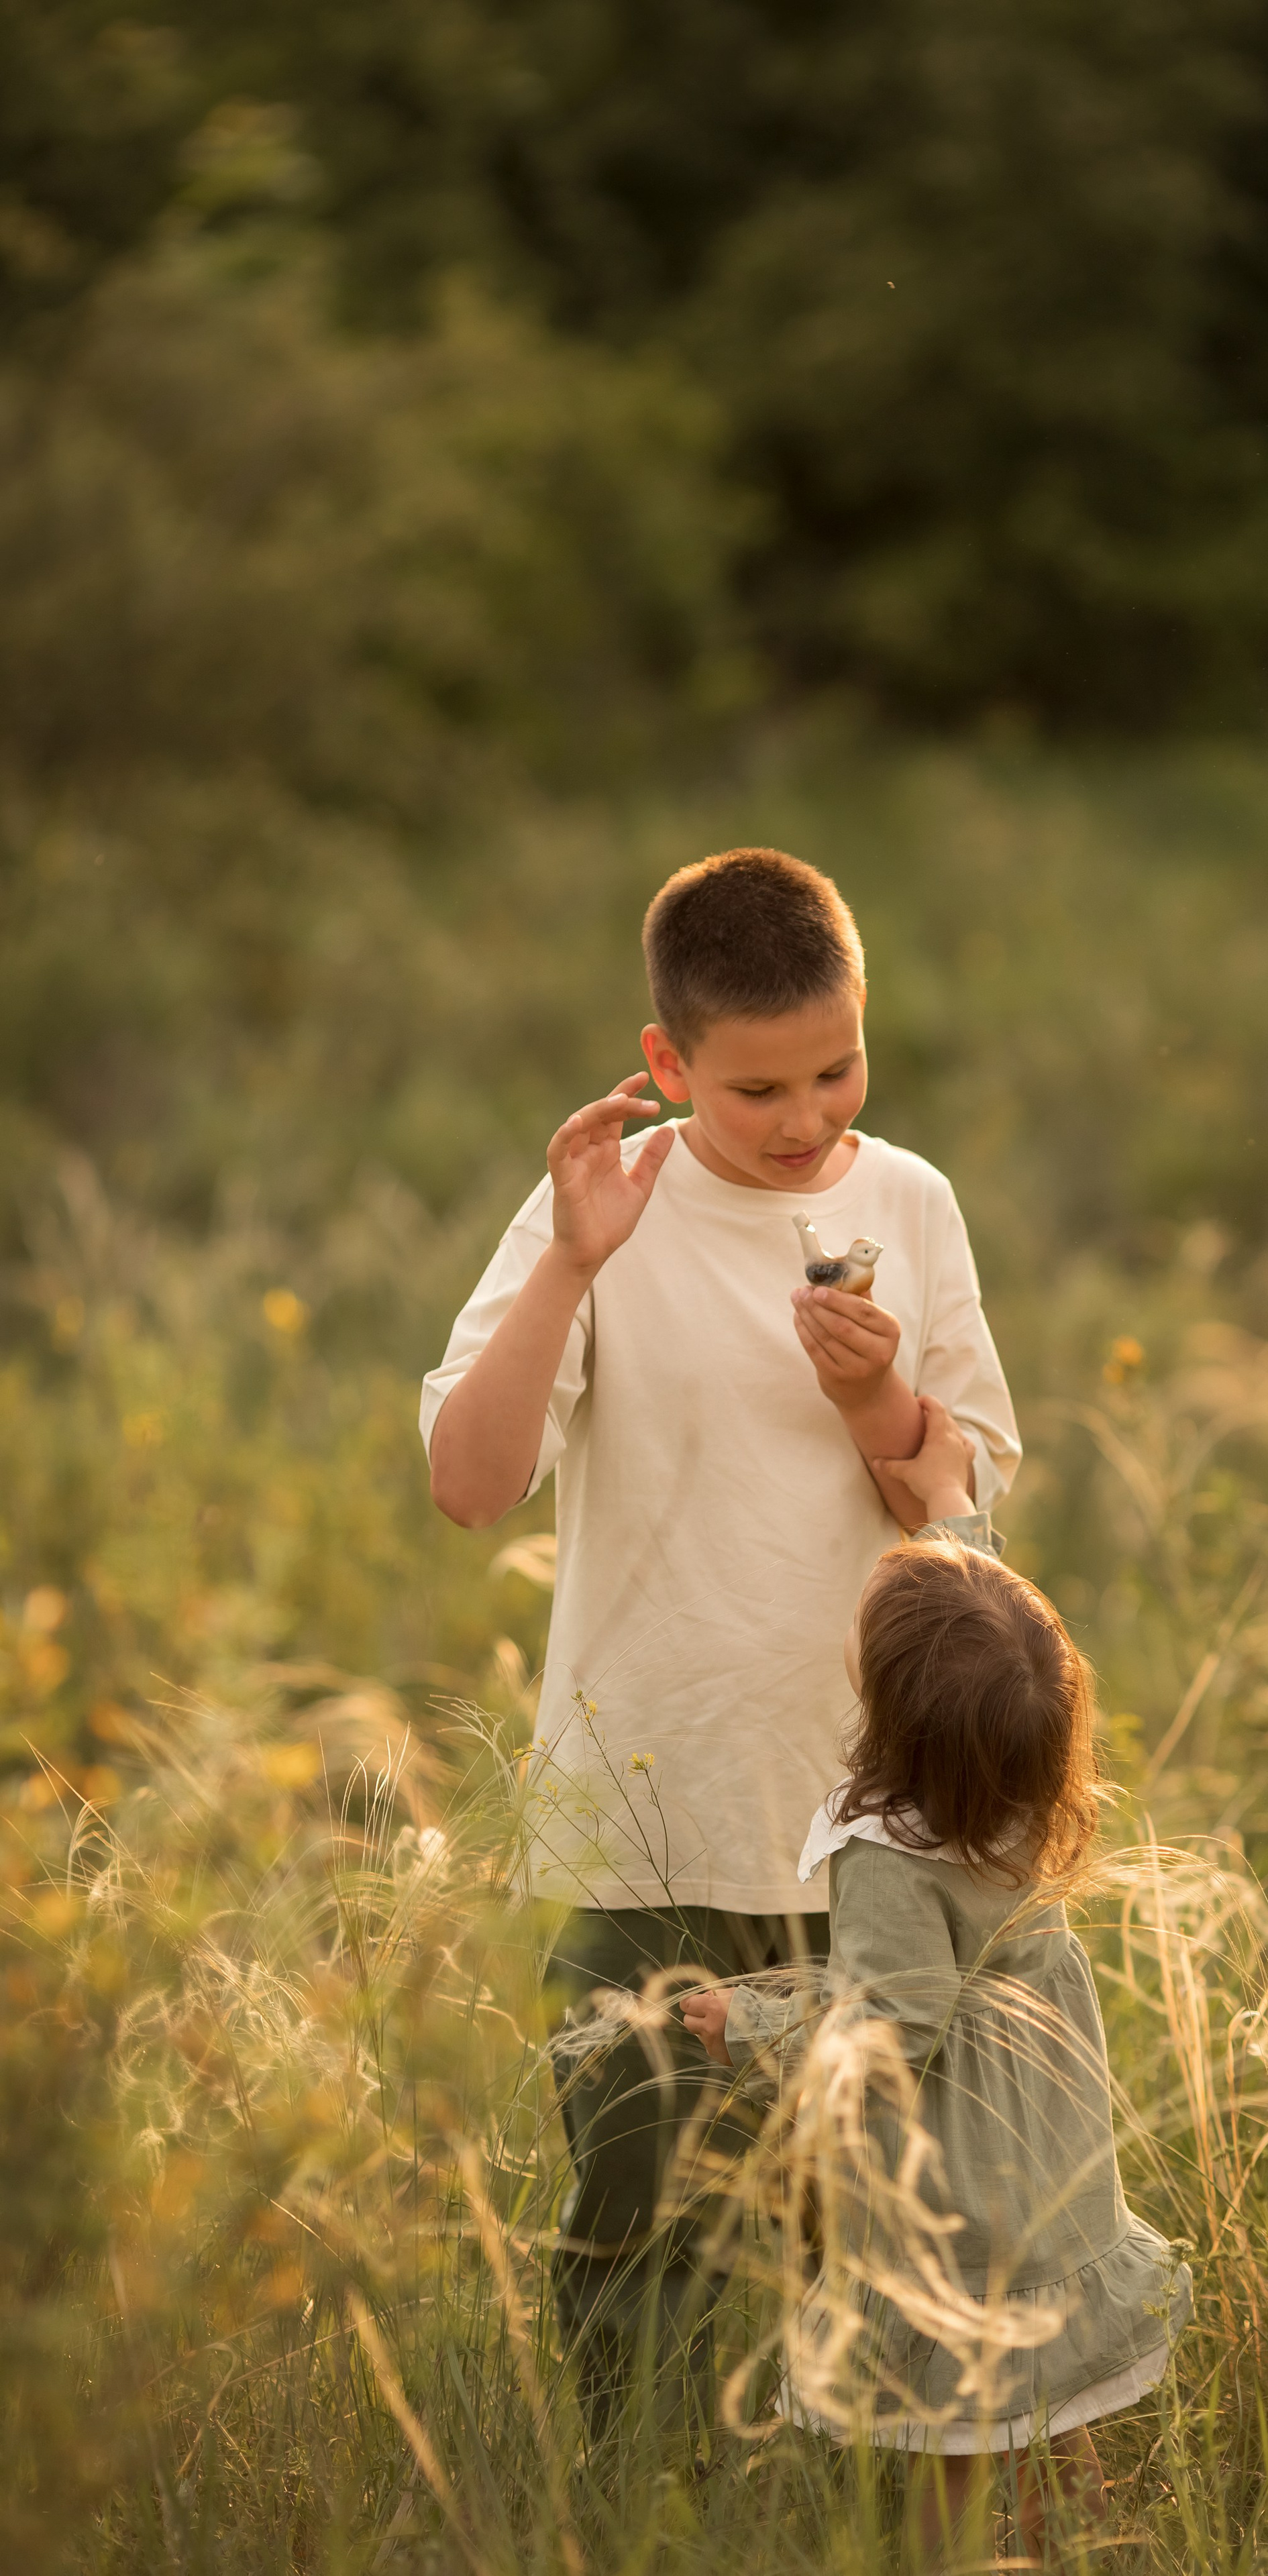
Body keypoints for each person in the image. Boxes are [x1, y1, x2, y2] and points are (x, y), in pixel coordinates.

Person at [420, 848, 1020, 2382]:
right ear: (667, 1061)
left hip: (870, 1827)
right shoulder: (602, 1212)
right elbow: (470, 1484)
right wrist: (572, 1262)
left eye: (837, 1070)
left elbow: (965, 1526)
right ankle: (640, 2495)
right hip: (648, 1829)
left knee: (870, 2245)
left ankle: (841, 2495)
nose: (805, 1119)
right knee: (641, 2244)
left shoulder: (910, 1202)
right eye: (757, 1090)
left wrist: (876, 1400)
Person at [682, 1396, 1192, 2563]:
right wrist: (953, 1507)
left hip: (963, 2192)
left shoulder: (887, 1856)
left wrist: (748, 2027)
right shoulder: (1015, 1767)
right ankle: (1081, 2551)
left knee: (954, 2438)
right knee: (1054, 2406)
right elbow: (995, 1640)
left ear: (893, 1712)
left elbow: (891, 2030)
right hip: (1052, 2161)